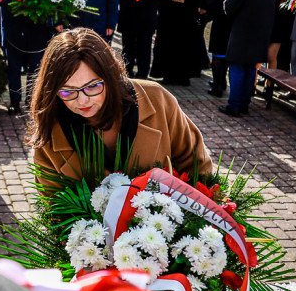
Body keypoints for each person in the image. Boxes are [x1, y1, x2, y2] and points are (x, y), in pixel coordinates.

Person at [27, 28, 212, 181]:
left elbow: (197, 166)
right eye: (67, 91)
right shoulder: (49, 132)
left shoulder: (158, 99)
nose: (82, 101)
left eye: (92, 86)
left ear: (111, 78)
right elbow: (53, 210)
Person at [220, 0, 280, 117]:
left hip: (242, 31)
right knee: (250, 68)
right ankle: (245, 103)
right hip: (262, 32)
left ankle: (234, 105)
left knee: (237, 67)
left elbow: (228, 5)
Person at [200, 0, 243, 97]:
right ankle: (223, 82)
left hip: (220, 21)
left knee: (218, 55)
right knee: (227, 53)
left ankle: (218, 85)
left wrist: (205, 10)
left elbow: (214, 0)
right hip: (235, 22)